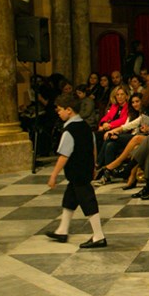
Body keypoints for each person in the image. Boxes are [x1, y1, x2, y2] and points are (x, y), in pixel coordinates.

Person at [45, 93, 107, 248]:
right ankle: (62, 230)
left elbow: (63, 156)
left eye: (60, 110)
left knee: (88, 202)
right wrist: (94, 167)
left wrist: (53, 176)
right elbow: (93, 147)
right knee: (69, 200)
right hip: (82, 172)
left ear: (69, 110)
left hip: (78, 173)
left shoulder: (69, 131)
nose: (58, 113)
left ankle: (99, 236)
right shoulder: (86, 126)